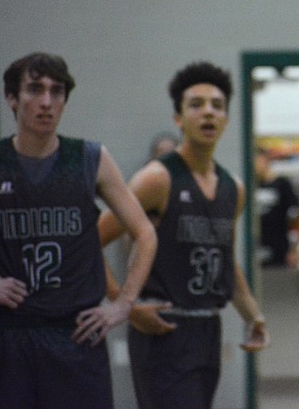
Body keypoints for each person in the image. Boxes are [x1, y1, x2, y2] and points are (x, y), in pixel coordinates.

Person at [0, 52, 157, 409]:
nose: (46, 102)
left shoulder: (90, 158)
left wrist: (123, 304)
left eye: (56, 91)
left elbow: (145, 233)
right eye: (34, 89)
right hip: (10, 337)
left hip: (75, 334)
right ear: (12, 98)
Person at [98, 61, 270, 409]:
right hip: (162, 328)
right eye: (196, 104)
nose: (208, 113)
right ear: (178, 118)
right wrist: (124, 306)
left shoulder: (232, 188)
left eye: (217, 106)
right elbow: (90, 240)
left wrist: (253, 315)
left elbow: (225, 262)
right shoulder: (157, 179)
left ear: (226, 118)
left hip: (207, 329)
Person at [254, 146, 299, 268]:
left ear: (266, 160)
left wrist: (294, 248)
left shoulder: (282, 184)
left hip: (279, 252)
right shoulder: (251, 185)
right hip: (256, 252)